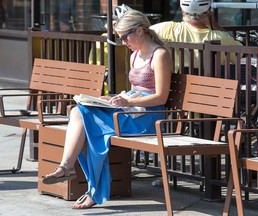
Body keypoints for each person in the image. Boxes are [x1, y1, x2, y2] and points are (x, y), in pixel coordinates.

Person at [42, 9, 172, 209]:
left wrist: (127, 103)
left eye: (124, 37)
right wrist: (111, 99)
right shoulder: (135, 55)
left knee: (85, 121)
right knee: (79, 111)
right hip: (131, 109)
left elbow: (161, 97)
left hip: (148, 117)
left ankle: (81, 179)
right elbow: (135, 90)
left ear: (139, 31)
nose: (123, 42)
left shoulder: (160, 55)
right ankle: (68, 168)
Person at [149, 0, 243, 70]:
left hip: (176, 88)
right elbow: (240, 55)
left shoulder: (166, 29)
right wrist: (215, 24)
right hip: (213, 89)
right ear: (209, 12)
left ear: (182, 12)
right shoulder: (221, 37)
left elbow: (143, 31)